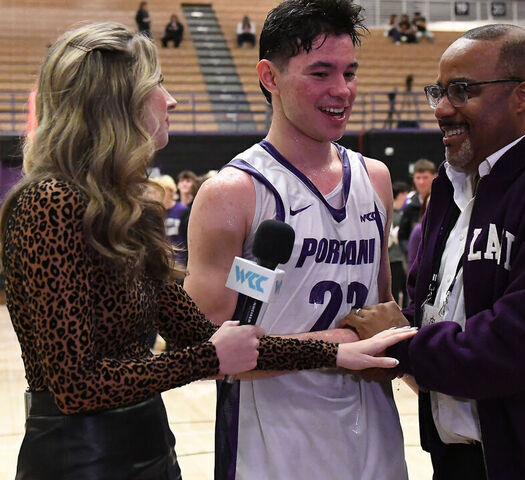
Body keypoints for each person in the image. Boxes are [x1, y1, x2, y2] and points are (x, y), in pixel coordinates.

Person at [0, 22, 417, 480]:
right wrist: (208, 359)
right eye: (157, 84)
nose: (171, 100)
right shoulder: (50, 203)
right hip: (77, 459)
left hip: (150, 446)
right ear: (115, 101)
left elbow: (203, 335)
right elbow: (76, 386)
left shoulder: (131, 210)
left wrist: (336, 355)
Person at [345, 24, 525, 480]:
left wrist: (403, 343)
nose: (442, 109)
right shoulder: (453, 185)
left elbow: (522, 346)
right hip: (463, 460)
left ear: (522, 96)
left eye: (462, 91)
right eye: (438, 92)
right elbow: (439, 310)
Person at [184, 1, 409, 479]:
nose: (342, 90)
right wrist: (338, 344)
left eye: (350, 72)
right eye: (321, 72)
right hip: (273, 448)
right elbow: (204, 352)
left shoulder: (376, 178)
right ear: (269, 76)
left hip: (375, 438)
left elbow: (381, 310)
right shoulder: (233, 192)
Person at [398, 158, 436, 254]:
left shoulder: (443, 201)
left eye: (425, 177)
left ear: (434, 177)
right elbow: (402, 236)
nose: (421, 182)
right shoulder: (409, 205)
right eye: (418, 178)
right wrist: (411, 252)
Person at [390, 181, 409, 307]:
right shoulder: (390, 211)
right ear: (401, 194)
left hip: (404, 257)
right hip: (393, 258)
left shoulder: (406, 211)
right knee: (394, 291)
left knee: (407, 291)